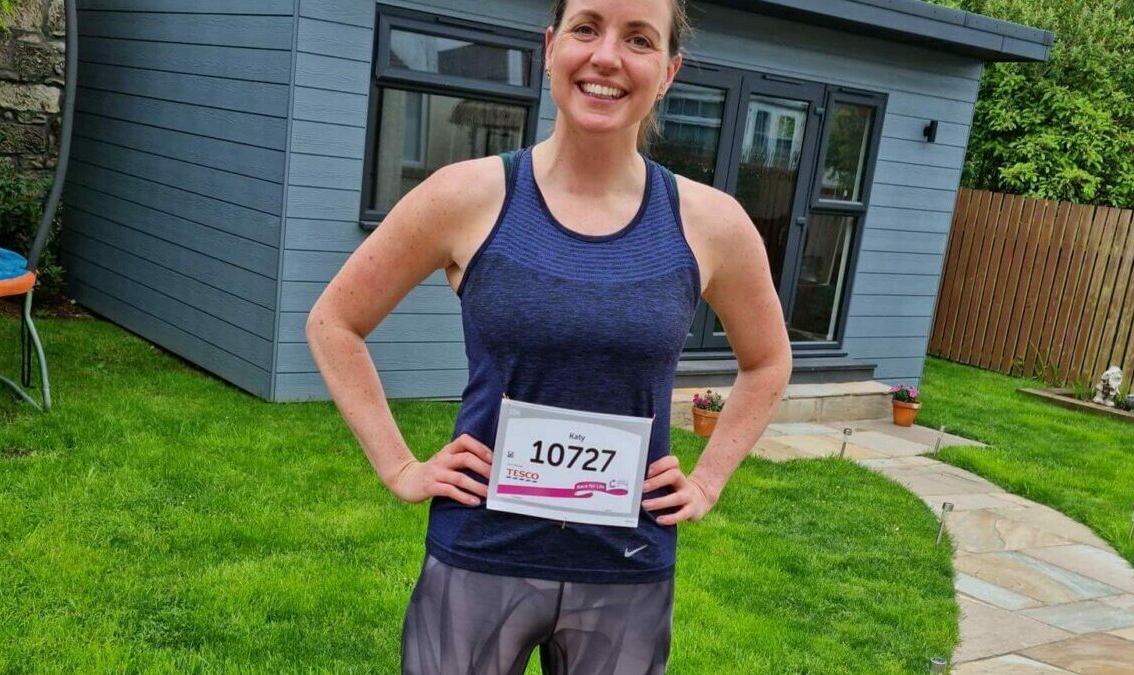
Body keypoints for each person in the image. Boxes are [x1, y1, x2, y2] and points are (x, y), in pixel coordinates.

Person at [305, 0, 792, 672]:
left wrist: (707, 482)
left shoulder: (711, 223)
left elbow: (767, 362)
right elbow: (334, 322)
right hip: (480, 552)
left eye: (639, 39)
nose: (606, 57)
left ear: (669, 71)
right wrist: (400, 467)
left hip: (626, 567)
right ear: (550, 47)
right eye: (586, 28)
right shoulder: (466, 196)